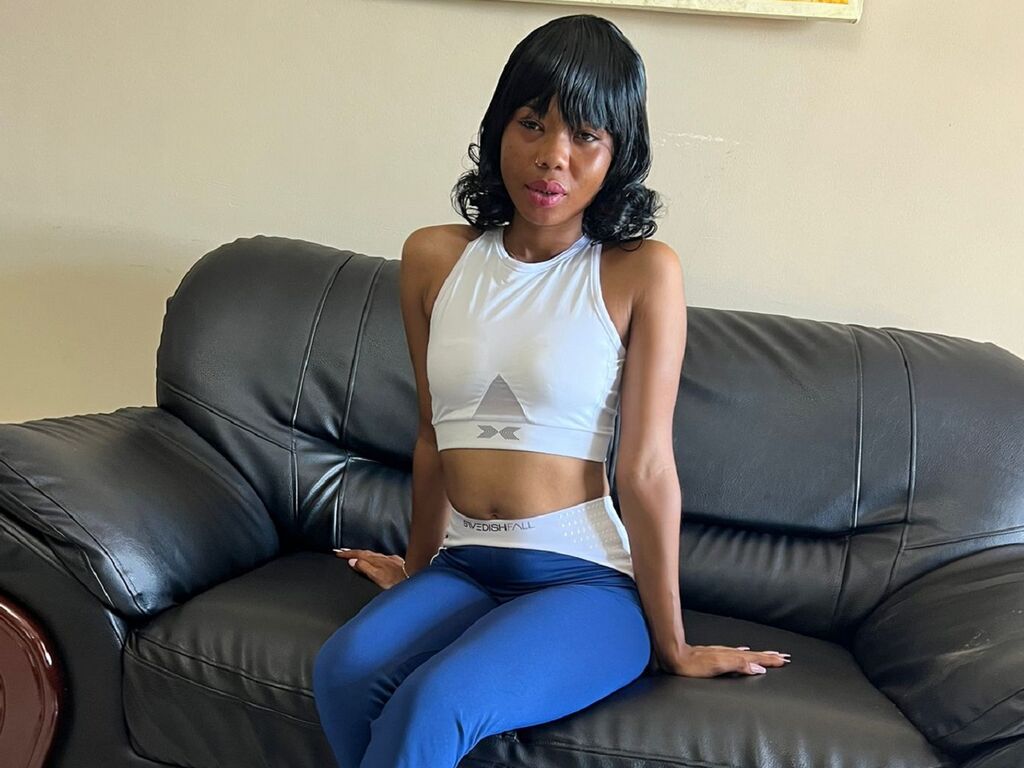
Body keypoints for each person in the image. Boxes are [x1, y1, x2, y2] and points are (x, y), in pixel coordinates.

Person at [312, 13, 790, 768]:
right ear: (499, 127)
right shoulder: (433, 259)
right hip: (466, 566)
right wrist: (416, 570)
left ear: (617, 155)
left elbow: (647, 469)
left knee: (433, 704)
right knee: (341, 669)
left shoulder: (640, 272)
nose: (551, 157)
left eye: (585, 137)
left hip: (585, 585)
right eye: (532, 124)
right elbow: (434, 437)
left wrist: (673, 643)